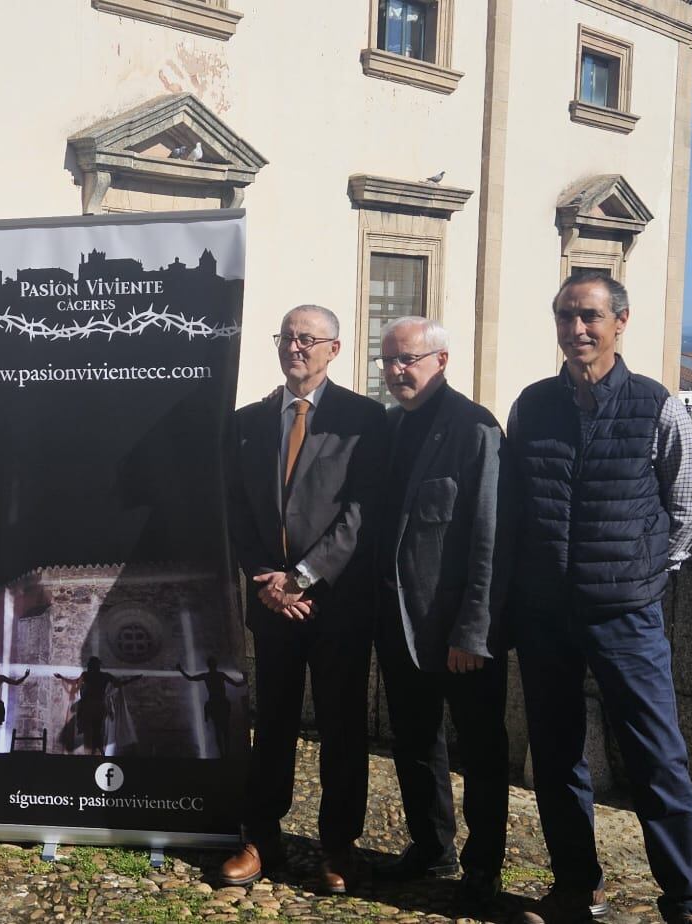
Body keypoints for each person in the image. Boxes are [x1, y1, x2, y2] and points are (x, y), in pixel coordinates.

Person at [506, 271, 692, 924]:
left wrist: (646, 571)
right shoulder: (531, 405)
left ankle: (687, 901)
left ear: (620, 322)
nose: (577, 330)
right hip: (545, 616)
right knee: (558, 759)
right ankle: (577, 888)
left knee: (658, 759)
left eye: (590, 316)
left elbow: (690, 508)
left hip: (626, 617)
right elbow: (514, 507)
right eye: (566, 316)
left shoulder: (657, 405)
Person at [219, 305, 388, 895]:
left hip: (335, 605)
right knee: (272, 724)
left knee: (343, 728)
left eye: (308, 339)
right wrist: (266, 576)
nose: (296, 347)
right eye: (288, 338)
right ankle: (261, 837)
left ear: (334, 349)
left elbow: (363, 512)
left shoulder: (365, 419)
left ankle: (339, 846)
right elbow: (235, 508)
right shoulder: (247, 422)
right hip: (272, 603)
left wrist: (307, 577)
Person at [368, 316, 510, 905]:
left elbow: (489, 538)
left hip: (458, 628)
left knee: (479, 750)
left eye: (408, 360)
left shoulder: (476, 430)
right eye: (390, 360)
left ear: (441, 361)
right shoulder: (389, 428)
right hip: (398, 622)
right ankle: (432, 847)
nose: (397, 371)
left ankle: (483, 865)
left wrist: (473, 631)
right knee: (415, 742)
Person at [175, 656, 247, 757]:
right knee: (225, 730)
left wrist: (180, 670)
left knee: (218, 729)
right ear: (215, 665)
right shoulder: (220, 675)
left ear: (208, 665)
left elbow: (190, 678)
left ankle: (223, 754)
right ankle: (225, 753)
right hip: (221, 703)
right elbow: (236, 684)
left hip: (214, 703)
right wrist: (246, 680)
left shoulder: (207, 676)